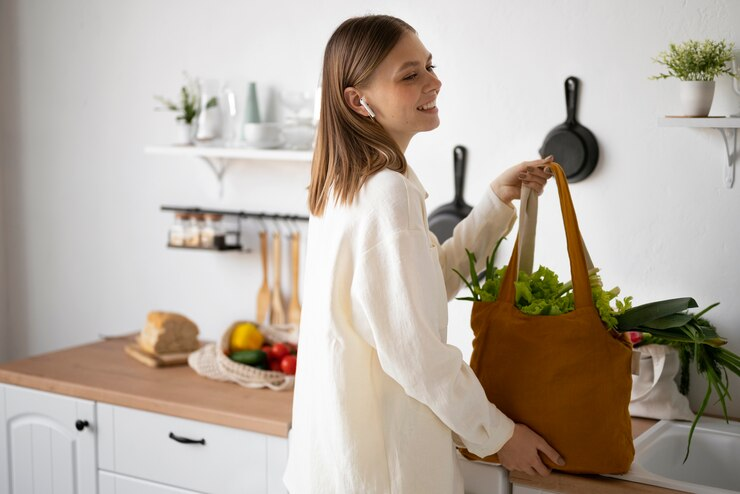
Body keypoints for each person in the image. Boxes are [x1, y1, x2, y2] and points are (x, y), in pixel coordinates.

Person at [284, 14, 562, 494]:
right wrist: (498, 435)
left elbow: (419, 291)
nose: (435, 81)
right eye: (410, 74)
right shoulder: (386, 194)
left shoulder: (341, 186)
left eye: (429, 66)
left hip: (336, 467)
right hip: (386, 474)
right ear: (358, 100)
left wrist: (496, 201)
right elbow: (418, 356)